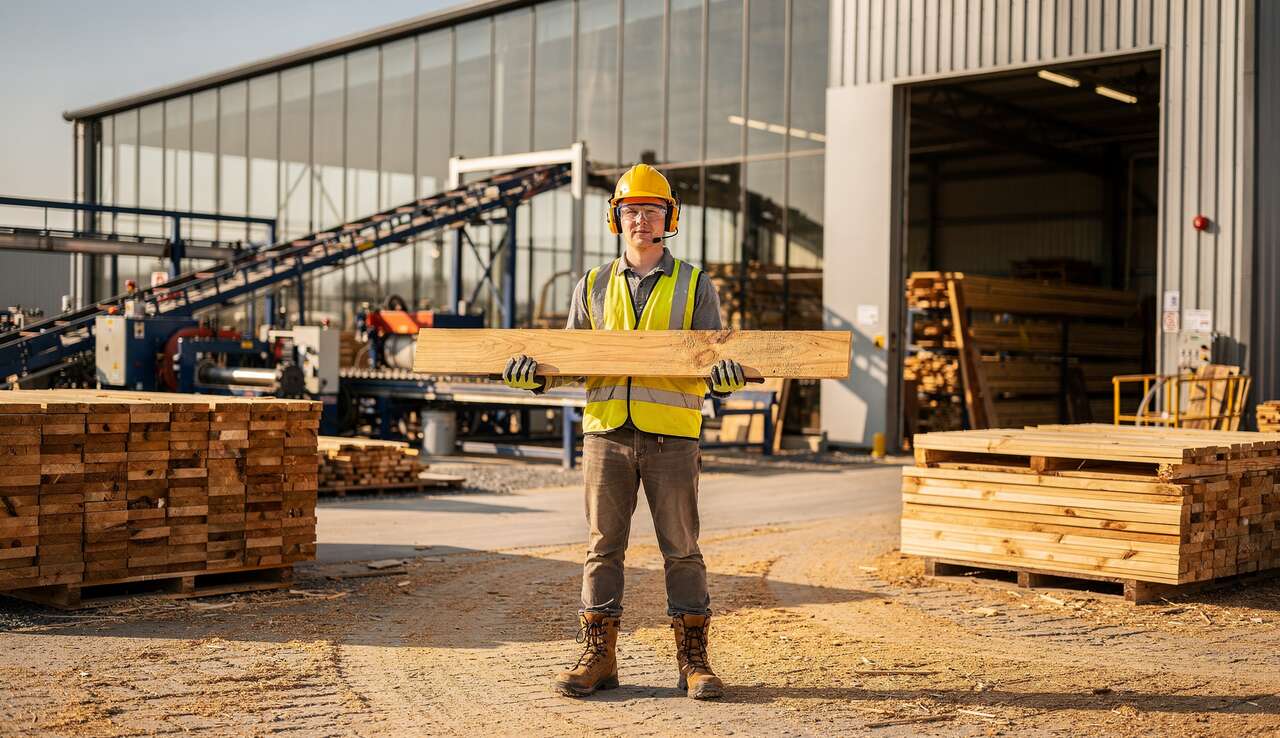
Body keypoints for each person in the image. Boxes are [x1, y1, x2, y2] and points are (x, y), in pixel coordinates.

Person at [501, 164, 746, 700]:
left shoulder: (695, 284)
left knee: (681, 548)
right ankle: (599, 656)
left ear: (669, 218)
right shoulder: (590, 284)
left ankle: (693, 661)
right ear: (617, 219)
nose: (641, 219)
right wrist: (536, 376)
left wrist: (725, 380)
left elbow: (714, 357)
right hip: (607, 432)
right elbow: (569, 357)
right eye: (631, 210)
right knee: (602, 548)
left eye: (651, 210)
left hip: (672, 435)